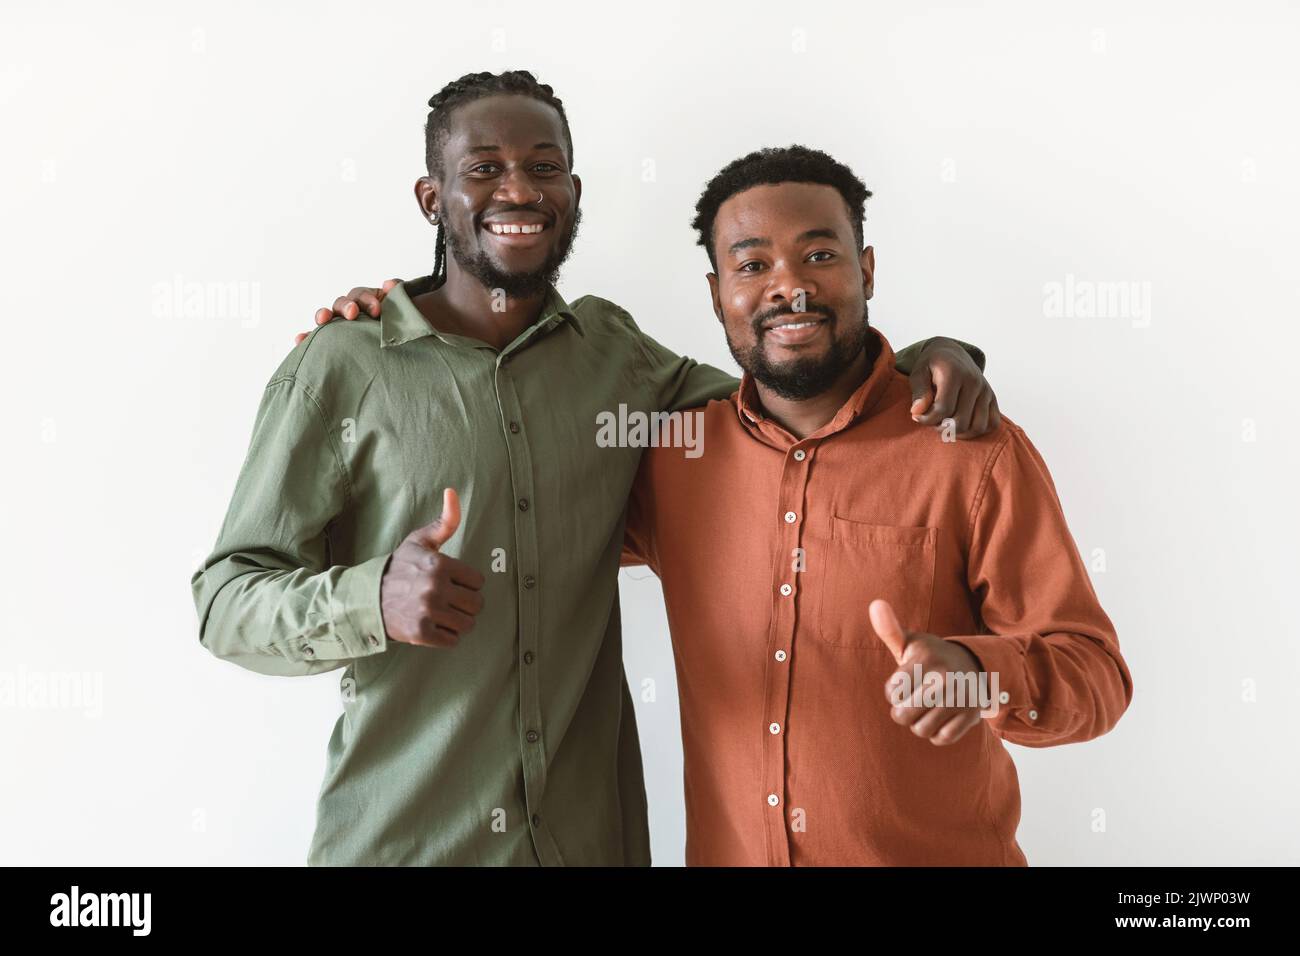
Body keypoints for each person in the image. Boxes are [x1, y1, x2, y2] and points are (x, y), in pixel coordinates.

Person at [193, 71, 996, 866]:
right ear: (432, 199)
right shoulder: (341, 366)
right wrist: (373, 596)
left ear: (572, 191)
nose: (519, 189)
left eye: (544, 167)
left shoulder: (615, 356)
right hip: (408, 847)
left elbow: (786, 403)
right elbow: (225, 601)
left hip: (592, 847)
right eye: (484, 169)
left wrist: (927, 357)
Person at [617, 145, 1134, 865]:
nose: (789, 288)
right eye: (753, 264)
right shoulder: (673, 461)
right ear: (716, 293)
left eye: (818, 255)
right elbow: (529, 517)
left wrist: (981, 674)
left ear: (866, 270)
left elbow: (1096, 675)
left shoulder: (970, 450)